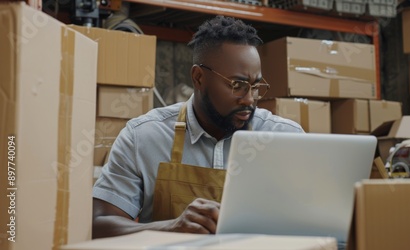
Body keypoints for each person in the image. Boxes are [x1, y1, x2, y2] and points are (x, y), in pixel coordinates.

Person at [92, 15, 304, 239]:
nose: (249, 99)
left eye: (256, 85)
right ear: (199, 77)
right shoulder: (143, 137)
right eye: (237, 85)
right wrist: (170, 227)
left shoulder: (285, 138)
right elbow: (99, 224)